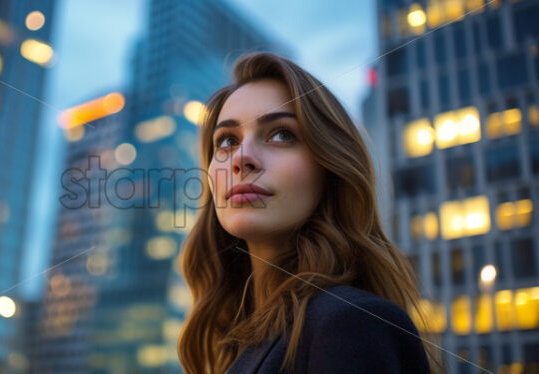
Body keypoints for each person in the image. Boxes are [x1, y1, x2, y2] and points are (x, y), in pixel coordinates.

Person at [176, 52, 445, 373]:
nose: (241, 158)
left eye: (281, 134)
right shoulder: (247, 343)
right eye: (227, 141)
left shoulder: (350, 323)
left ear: (329, 168)